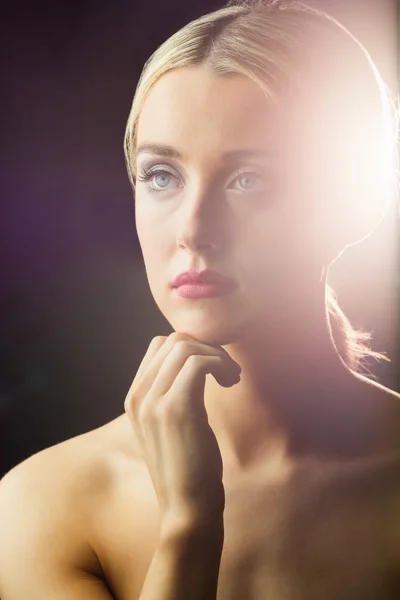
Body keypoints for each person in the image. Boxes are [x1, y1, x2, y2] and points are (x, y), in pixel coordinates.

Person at [0, 0, 399, 598]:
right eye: (162, 175)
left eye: (250, 180)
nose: (193, 227)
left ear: (356, 204)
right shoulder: (47, 502)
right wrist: (189, 527)